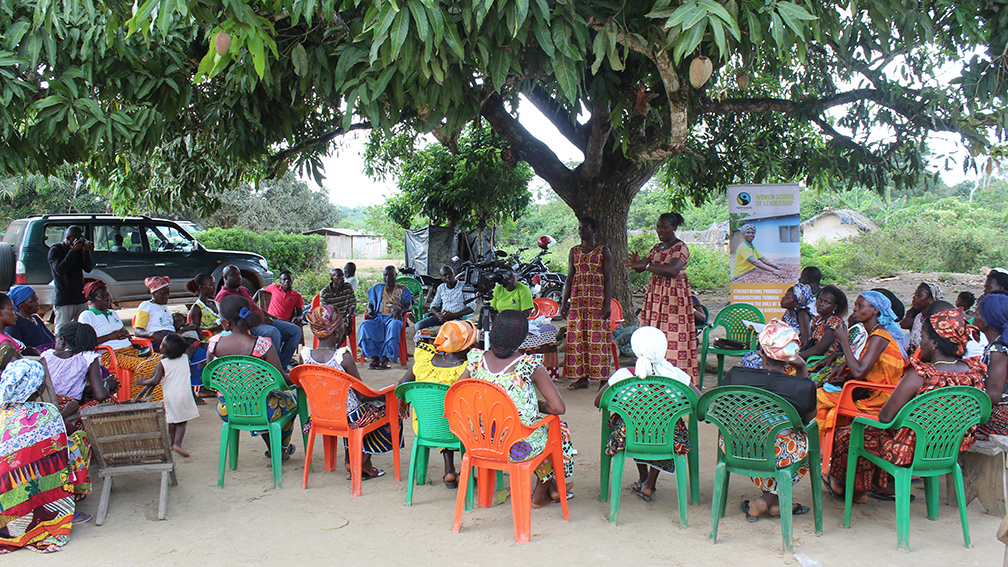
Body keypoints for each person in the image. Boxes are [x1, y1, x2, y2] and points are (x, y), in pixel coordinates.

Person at [825, 306, 985, 502]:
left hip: (909, 450)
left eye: (923, 339)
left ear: (934, 343)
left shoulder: (921, 374)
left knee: (850, 433)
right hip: (948, 448)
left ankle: (851, 489)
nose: (920, 343)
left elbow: (885, 417)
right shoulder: (974, 372)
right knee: (880, 432)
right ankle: (878, 485)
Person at [458, 310, 575, 508]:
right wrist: (533, 405)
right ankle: (542, 491)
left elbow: (458, 394)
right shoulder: (529, 365)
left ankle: (552, 486)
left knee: (541, 431)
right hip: (517, 446)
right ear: (522, 338)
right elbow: (558, 407)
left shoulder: (476, 361)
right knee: (557, 430)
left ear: (494, 333)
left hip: (480, 440)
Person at [722, 320, 816, 521]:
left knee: (766, 436)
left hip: (738, 445)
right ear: (791, 356)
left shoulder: (734, 376)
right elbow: (806, 419)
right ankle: (773, 502)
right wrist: (802, 369)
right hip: (781, 452)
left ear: (762, 352)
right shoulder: (802, 386)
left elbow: (719, 410)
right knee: (802, 442)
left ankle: (766, 501)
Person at [593, 326, 695, 501]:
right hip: (669, 439)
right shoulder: (676, 375)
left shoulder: (623, 375)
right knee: (663, 424)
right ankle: (649, 483)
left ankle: (643, 478)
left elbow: (598, 402)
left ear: (635, 350)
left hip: (629, 438)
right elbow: (698, 401)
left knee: (633, 421)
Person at [0, 358, 89, 553]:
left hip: (5, 493)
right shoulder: (47, 412)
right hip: (28, 482)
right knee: (76, 443)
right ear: (38, 389)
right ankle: (68, 500)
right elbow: (60, 447)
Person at [303, 304, 399, 479]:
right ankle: (362, 459)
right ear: (335, 330)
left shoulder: (306, 356)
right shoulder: (343, 357)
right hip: (349, 416)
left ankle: (350, 459)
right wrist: (385, 396)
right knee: (386, 409)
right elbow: (363, 394)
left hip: (321, 415)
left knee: (358, 410)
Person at [207, 295, 297, 461]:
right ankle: (282, 448)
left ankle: (275, 449)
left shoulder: (213, 344)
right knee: (289, 400)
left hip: (228, 409)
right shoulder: (262, 344)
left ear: (226, 322)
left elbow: (210, 380)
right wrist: (298, 376)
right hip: (262, 409)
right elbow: (282, 381)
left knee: (256, 399)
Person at [816, 291, 907, 454]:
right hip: (874, 391)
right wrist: (845, 366)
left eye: (860, 306)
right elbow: (864, 368)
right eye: (855, 305)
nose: (855, 310)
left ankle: (820, 452)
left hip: (882, 398)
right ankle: (827, 452)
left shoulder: (880, 336)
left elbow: (859, 372)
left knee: (820, 398)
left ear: (875, 311)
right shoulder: (874, 334)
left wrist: (844, 341)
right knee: (825, 398)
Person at [396, 319, 478, 488]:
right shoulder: (470, 368)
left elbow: (401, 386)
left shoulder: (423, 362)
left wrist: (402, 399)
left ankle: (449, 470)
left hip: (427, 427)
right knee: (467, 414)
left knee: (440, 414)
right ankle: (466, 470)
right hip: (459, 430)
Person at [625, 212, 698, 382]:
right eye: (658, 227)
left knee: (673, 335)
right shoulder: (657, 248)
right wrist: (637, 264)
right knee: (653, 336)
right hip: (656, 298)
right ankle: (654, 379)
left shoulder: (680, 248)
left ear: (674, 227)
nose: (660, 230)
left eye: (664, 227)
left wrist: (646, 265)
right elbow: (642, 266)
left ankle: (678, 381)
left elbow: (672, 270)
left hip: (674, 298)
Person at [77, 280, 163, 399]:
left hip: (130, 351)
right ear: (91, 299)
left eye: (107, 296)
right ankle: (139, 399)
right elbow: (85, 343)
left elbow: (121, 332)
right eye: (101, 296)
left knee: (161, 360)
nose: (106, 299)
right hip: (110, 356)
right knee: (145, 365)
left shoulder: (112, 313)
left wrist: (124, 334)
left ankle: (158, 397)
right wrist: (111, 336)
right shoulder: (87, 316)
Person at [215, 265, 301, 370]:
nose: (239, 277)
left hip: (263, 320)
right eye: (234, 275)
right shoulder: (223, 296)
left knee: (295, 330)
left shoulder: (243, 289)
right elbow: (230, 319)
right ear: (225, 278)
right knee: (273, 332)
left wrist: (274, 318)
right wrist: (259, 320)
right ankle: (275, 370)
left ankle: (281, 367)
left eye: (239, 274)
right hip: (248, 326)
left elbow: (256, 308)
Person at [561, 216, 613, 390]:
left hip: (597, 302)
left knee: (598, 339)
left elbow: (607, 280)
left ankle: (602, 379)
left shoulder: (603, 250)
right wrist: (563, 303)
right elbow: (569, 278)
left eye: (585, 228)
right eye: (580, 228)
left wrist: (607, 305)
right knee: (579, 338)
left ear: (593, 230)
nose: (581, 232)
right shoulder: (574, 251)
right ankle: (582, 378)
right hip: (578, 301)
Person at [136, 334, 199, 457]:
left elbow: (155, 381)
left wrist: (142, 382)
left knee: (173, 420)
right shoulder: (185, 358)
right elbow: (190, 347)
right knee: (182, 421)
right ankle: (177, 443)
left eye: (162, 345)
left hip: (170, 396)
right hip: (184, 395)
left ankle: (173, 443)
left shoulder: (163, 363)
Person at [42, 322, 119, 420]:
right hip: (69, 409)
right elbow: (101, 396)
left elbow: (68, 386)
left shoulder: (46, 355)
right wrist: (107, 384)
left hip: (45, 408)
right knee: (111, 400)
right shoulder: (88, 358)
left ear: (62, 340)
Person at [359, 266, 414, 370]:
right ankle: (374, 357)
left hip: (394, 318)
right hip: (378, 318)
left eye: (391, 275)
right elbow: (370, 304)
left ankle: (385, 358)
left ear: (395, 276)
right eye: (385, 275)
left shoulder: (403, 289)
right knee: (364, 326)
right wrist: (370, 311)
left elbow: (409, 305)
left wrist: (401, 311)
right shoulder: (377, 288)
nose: (388, 277)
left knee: (394, 325)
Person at [48, 225, 95, 331]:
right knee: (62, 330)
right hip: (65, 298)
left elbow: (88, 268)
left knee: (83, 329)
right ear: (69, 238)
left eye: (82, 238)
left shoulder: (78, 251)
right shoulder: (56, 250)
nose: (80, 241)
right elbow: (60, 269)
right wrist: (72, 251)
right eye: (77, 238)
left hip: (80, 297)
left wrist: (86, 253)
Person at [798, 285, 848, 383]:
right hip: (813, 359)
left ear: (835, 307)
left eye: (827, 302)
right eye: (820, 300)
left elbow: (819, 349)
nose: (821, 304)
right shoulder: (817, 319)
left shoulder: (834, 322)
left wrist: (796, 356)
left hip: (826, 362)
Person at [975, 293, 1008, 439]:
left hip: (999, 419)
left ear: (988, 321)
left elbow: (993, 396)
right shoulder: (998, 346)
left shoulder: (998, 350)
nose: (973, 317)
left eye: (977, 313)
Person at [414, 265, 474, 337]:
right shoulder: (441, 288)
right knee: (418, 326)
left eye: (450, 273)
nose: (448, 276)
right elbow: (433, 305)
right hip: (442, 318)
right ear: (442, 278)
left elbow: (471, 307)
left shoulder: (464, 286)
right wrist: (438, 315)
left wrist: (454, 315)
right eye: (445, 275)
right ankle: (429, 347)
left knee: (450, 332)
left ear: (453, 274)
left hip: (458, 318)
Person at [5, 285, 55, 352]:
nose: (37, 303)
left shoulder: (35, 318)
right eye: (32, 301)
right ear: (20, 305)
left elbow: (51, 337)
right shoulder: (15, 323)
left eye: (37, 299)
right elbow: (17, 349)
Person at [133, 276, 177, 352]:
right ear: (153, 293)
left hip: (170, 337)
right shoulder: (146, 306)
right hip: (158, 340)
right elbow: (137, 331)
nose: (166, 296)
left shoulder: (163, 306)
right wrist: (152, 334)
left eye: (167, 293)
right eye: (162, 294)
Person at [901, 281, 942, 355]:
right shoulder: (918, 317)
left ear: (930, 300)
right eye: (915, 294)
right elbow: (912, 346)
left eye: (919, 295)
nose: (914, 297)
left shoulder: (936, 321)